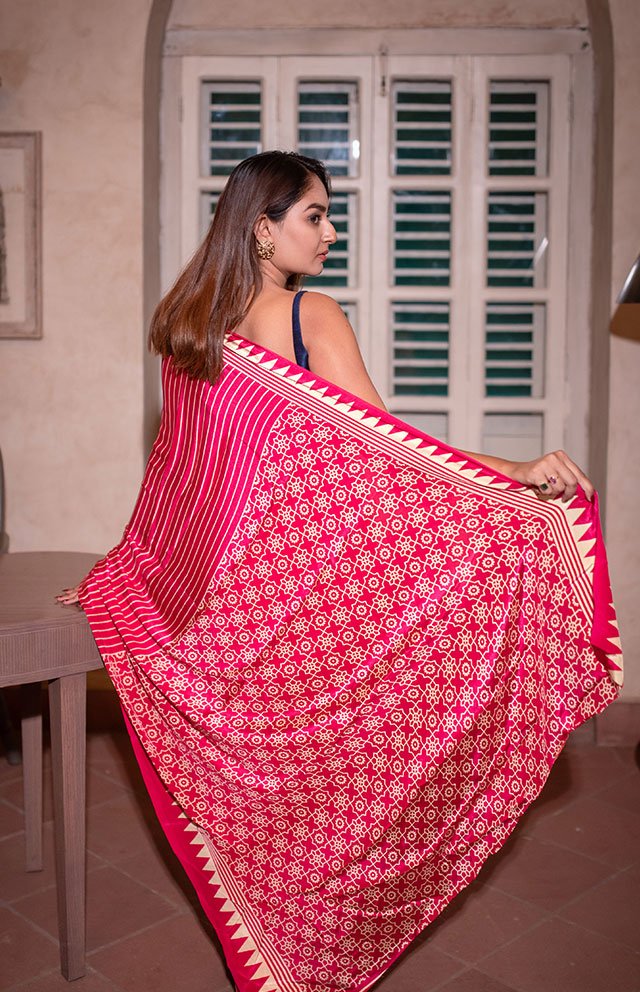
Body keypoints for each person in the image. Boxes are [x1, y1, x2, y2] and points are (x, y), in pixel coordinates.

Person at [56, 151, 620, 992]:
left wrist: (133, 572)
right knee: (335, 775)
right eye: (315, 215)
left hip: (230, 607)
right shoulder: (307, 314)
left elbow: (182, 483)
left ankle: (272, 927)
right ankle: (313, 934)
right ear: (263, 229)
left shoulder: (187, 326)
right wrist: (518, 474)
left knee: (266, 780)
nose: (330, 232)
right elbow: (397, 457)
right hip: (296, 599)